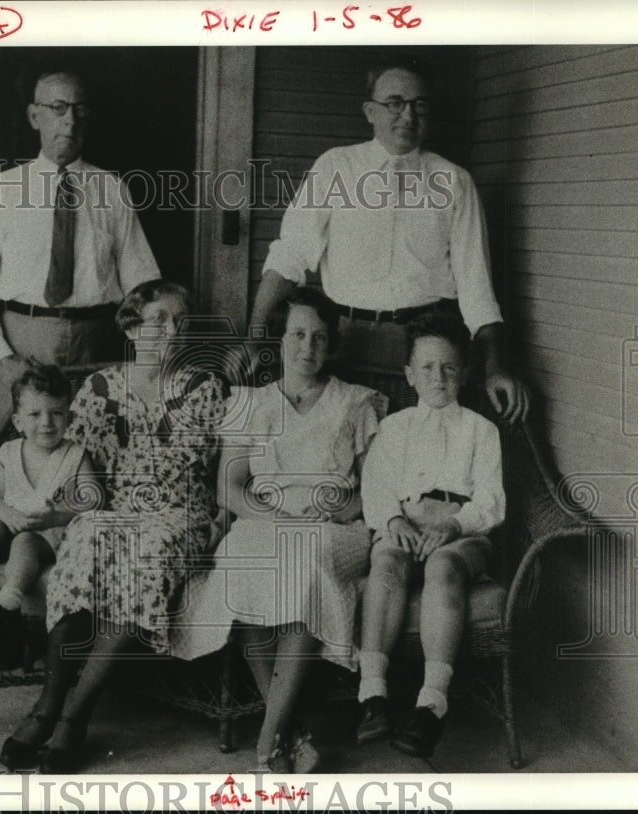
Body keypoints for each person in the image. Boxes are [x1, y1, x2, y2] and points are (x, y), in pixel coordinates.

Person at [0, 280, 228, 773]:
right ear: (131, 324)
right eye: (160, 319)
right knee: (80, 566)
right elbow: (69, 464)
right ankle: (47, 710)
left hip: (176, 515)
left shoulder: (202, 389)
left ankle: (73, 718)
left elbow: (212, 470)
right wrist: (54, 515)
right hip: (107, 511)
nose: (172, 330)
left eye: (181, 322)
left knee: (139, 569)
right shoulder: (99, 389)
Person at [171, 287, 385, 772]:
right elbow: (230, 489)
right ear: (280, 340)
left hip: (331, 529)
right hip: (262, 521)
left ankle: (266, 745)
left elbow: (374, 490)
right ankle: (294, 737)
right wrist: (276, 516)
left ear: (331, 345)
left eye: (319, 337)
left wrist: (334, 511)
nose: (307, 346)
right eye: (297, 334)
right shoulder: (250, 403)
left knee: (304, 566)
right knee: (250, 571)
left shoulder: (356, 403)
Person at [249, 55, 529, 423]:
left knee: (415, 462)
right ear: (370, 111)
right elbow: (288, 261)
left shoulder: (454, 181)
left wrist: (495, 367)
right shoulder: (336, 168)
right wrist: (252, 342)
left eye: (419, 105)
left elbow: (476, 289)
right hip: (344, 347)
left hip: (423, 351)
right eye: (394, 103)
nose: (408, 116)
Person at [0, 70, 161, 423]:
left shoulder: (111, 190)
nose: (70, 121)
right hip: (22, 345)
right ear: (35, 116)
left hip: (96, 346)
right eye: (58, 107)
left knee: (90, 457)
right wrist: (1, 358)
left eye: (80, 110)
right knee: (23, 457)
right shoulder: (2, 190)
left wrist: (150, 352)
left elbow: (143, 284)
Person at [356, 312, 505, 758]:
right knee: (387, 562)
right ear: (410, 374)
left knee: (443, 566)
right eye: (426, 368)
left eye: (449, 367)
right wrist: (395, 522)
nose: (438, 377)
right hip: (406, 521)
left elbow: (491, 502)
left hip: (461, 530)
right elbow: (377, 488)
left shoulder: (482, 431)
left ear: (464, 372)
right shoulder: (394, 428)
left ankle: (432, 704)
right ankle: (373, 695)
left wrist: (452, 526)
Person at [0, 365, 95, 668]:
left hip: (47, 533)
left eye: (57, 413)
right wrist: (6, 513)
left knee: (24, 541)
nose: (47, 423)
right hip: (9, 523)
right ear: (18, 421)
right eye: (35, 415)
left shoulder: (75, 454)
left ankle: (6, 605)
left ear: (70, 418)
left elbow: (91, 501)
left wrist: (57, 516)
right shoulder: (10, 452)